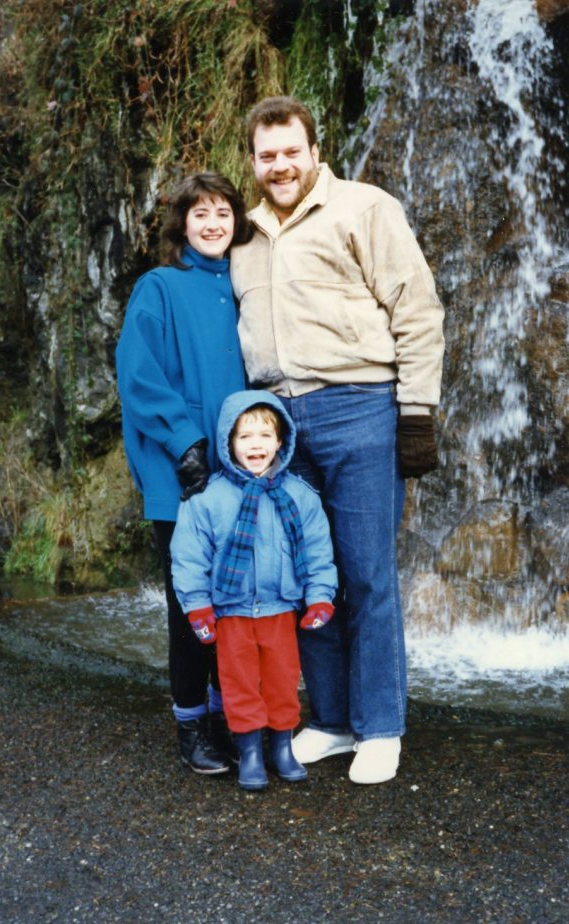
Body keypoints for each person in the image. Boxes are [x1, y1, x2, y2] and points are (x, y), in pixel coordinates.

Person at [230, 96, 445, 785]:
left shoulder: (363, 208)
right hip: (280, 424)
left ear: (314, 151)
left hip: (359, 408)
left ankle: (381, 726)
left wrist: (416, 414)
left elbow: (416, 308)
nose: (280, 165)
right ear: (254, 162)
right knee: (308, 578)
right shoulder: (246, 233)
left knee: (367, 573)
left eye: (291, 151)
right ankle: (330, 720)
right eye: (267, 155)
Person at [115, 172, 253, 776]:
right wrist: (185, 442)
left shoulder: (249, 291)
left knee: (237, 600)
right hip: (183, 471)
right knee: (189, 603)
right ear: (182, 226)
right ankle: (190, 724)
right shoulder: (160, 287)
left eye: (223, 212)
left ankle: (226, 715)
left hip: (243, 471)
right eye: (201, 214)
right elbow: (138, 376)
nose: (213, 223)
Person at [170, 390, 338, 790]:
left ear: (281, 441)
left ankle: (281, 747)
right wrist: (197, 608)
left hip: (281, 609)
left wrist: (319, 596)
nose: (256, 445)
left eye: (265, 435)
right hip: (232, 613)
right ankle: (248, 752)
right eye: (245, 437)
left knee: (282, 682)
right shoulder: (207, 499)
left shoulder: (299, 495)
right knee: (239, 684)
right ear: (229, 443)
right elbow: (189, 559)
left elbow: (317, 550)